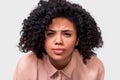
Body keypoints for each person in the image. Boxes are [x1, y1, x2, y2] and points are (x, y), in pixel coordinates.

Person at [13, 0, 105, 80]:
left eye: (67, 34)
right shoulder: (26, 66)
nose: (58, 41)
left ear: (77, 39)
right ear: (40, 36)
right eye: (50, 34)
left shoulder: (94, 68)